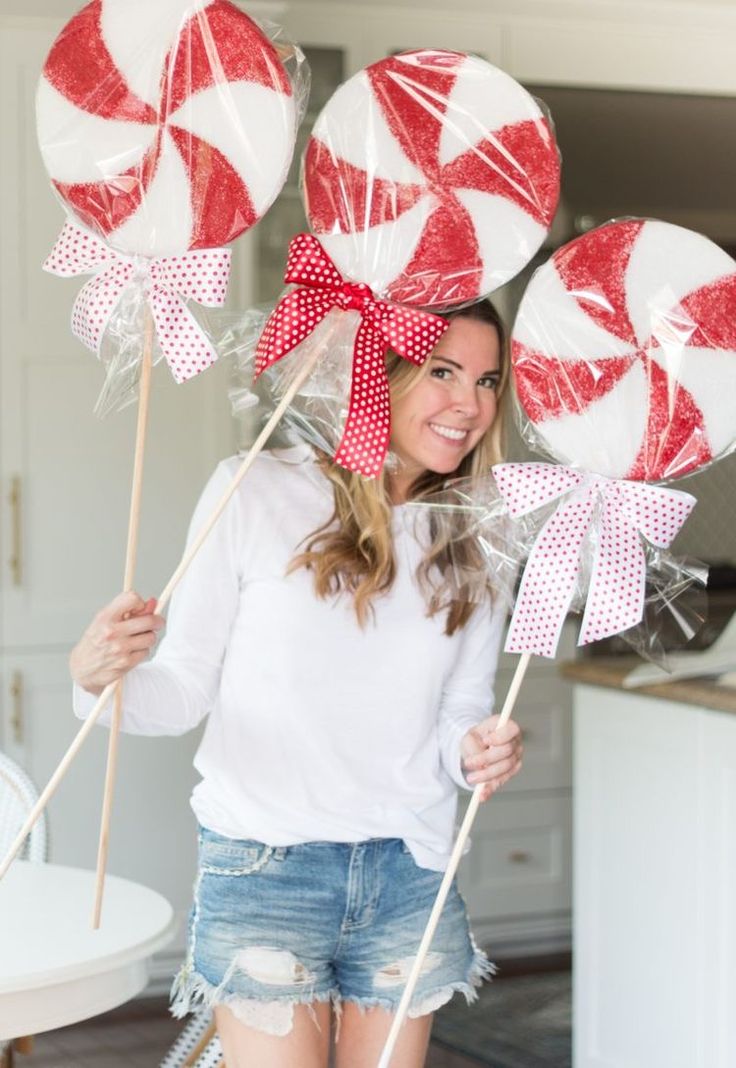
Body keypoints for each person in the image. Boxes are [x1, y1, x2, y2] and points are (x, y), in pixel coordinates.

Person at [70, 298, 523, 1068]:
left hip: (407, 870)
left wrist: (477, 748)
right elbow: (182, 691)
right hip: (264, 868)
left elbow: (460, 713)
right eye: (442, 371)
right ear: (382, 371)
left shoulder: (484, 532)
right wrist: (96, 679)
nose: (469, 405)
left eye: (487, 380)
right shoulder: (253, 490)